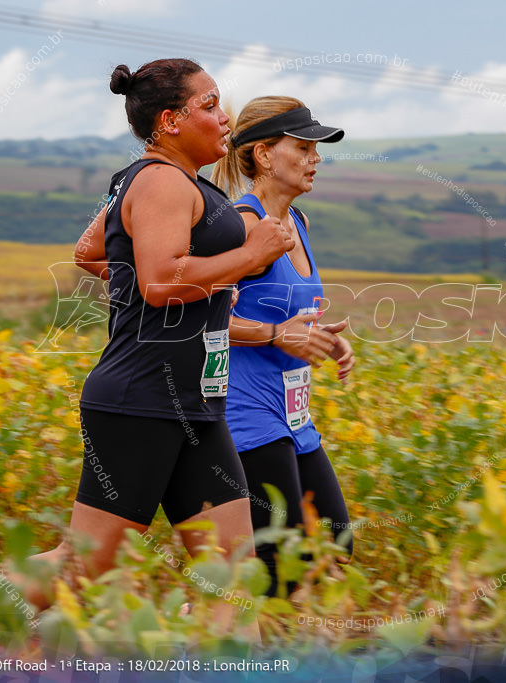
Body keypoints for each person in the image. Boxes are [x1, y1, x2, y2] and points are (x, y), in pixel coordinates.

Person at [11, 59, 295, 614]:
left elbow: (92, 253)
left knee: (232, 573)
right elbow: (162, 281)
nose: (225, 119)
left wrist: (210, 287)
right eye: (209, 106)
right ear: (169, 120)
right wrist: (247, 257)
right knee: (85, 568)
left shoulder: (156, 179)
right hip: (142, 401)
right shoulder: (161, 180)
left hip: (196, 405)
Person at [211, 97, 354, 596]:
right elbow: (200, 315)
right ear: (266, 155)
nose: (315, 158)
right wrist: (275, 334)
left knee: (336, 544)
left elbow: (290, 314)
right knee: (279, 564)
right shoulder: (241, 226)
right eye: (304, 147)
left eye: (317, 149)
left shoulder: (301, 225)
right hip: (247, 411)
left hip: (294, 412)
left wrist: (323, 341)